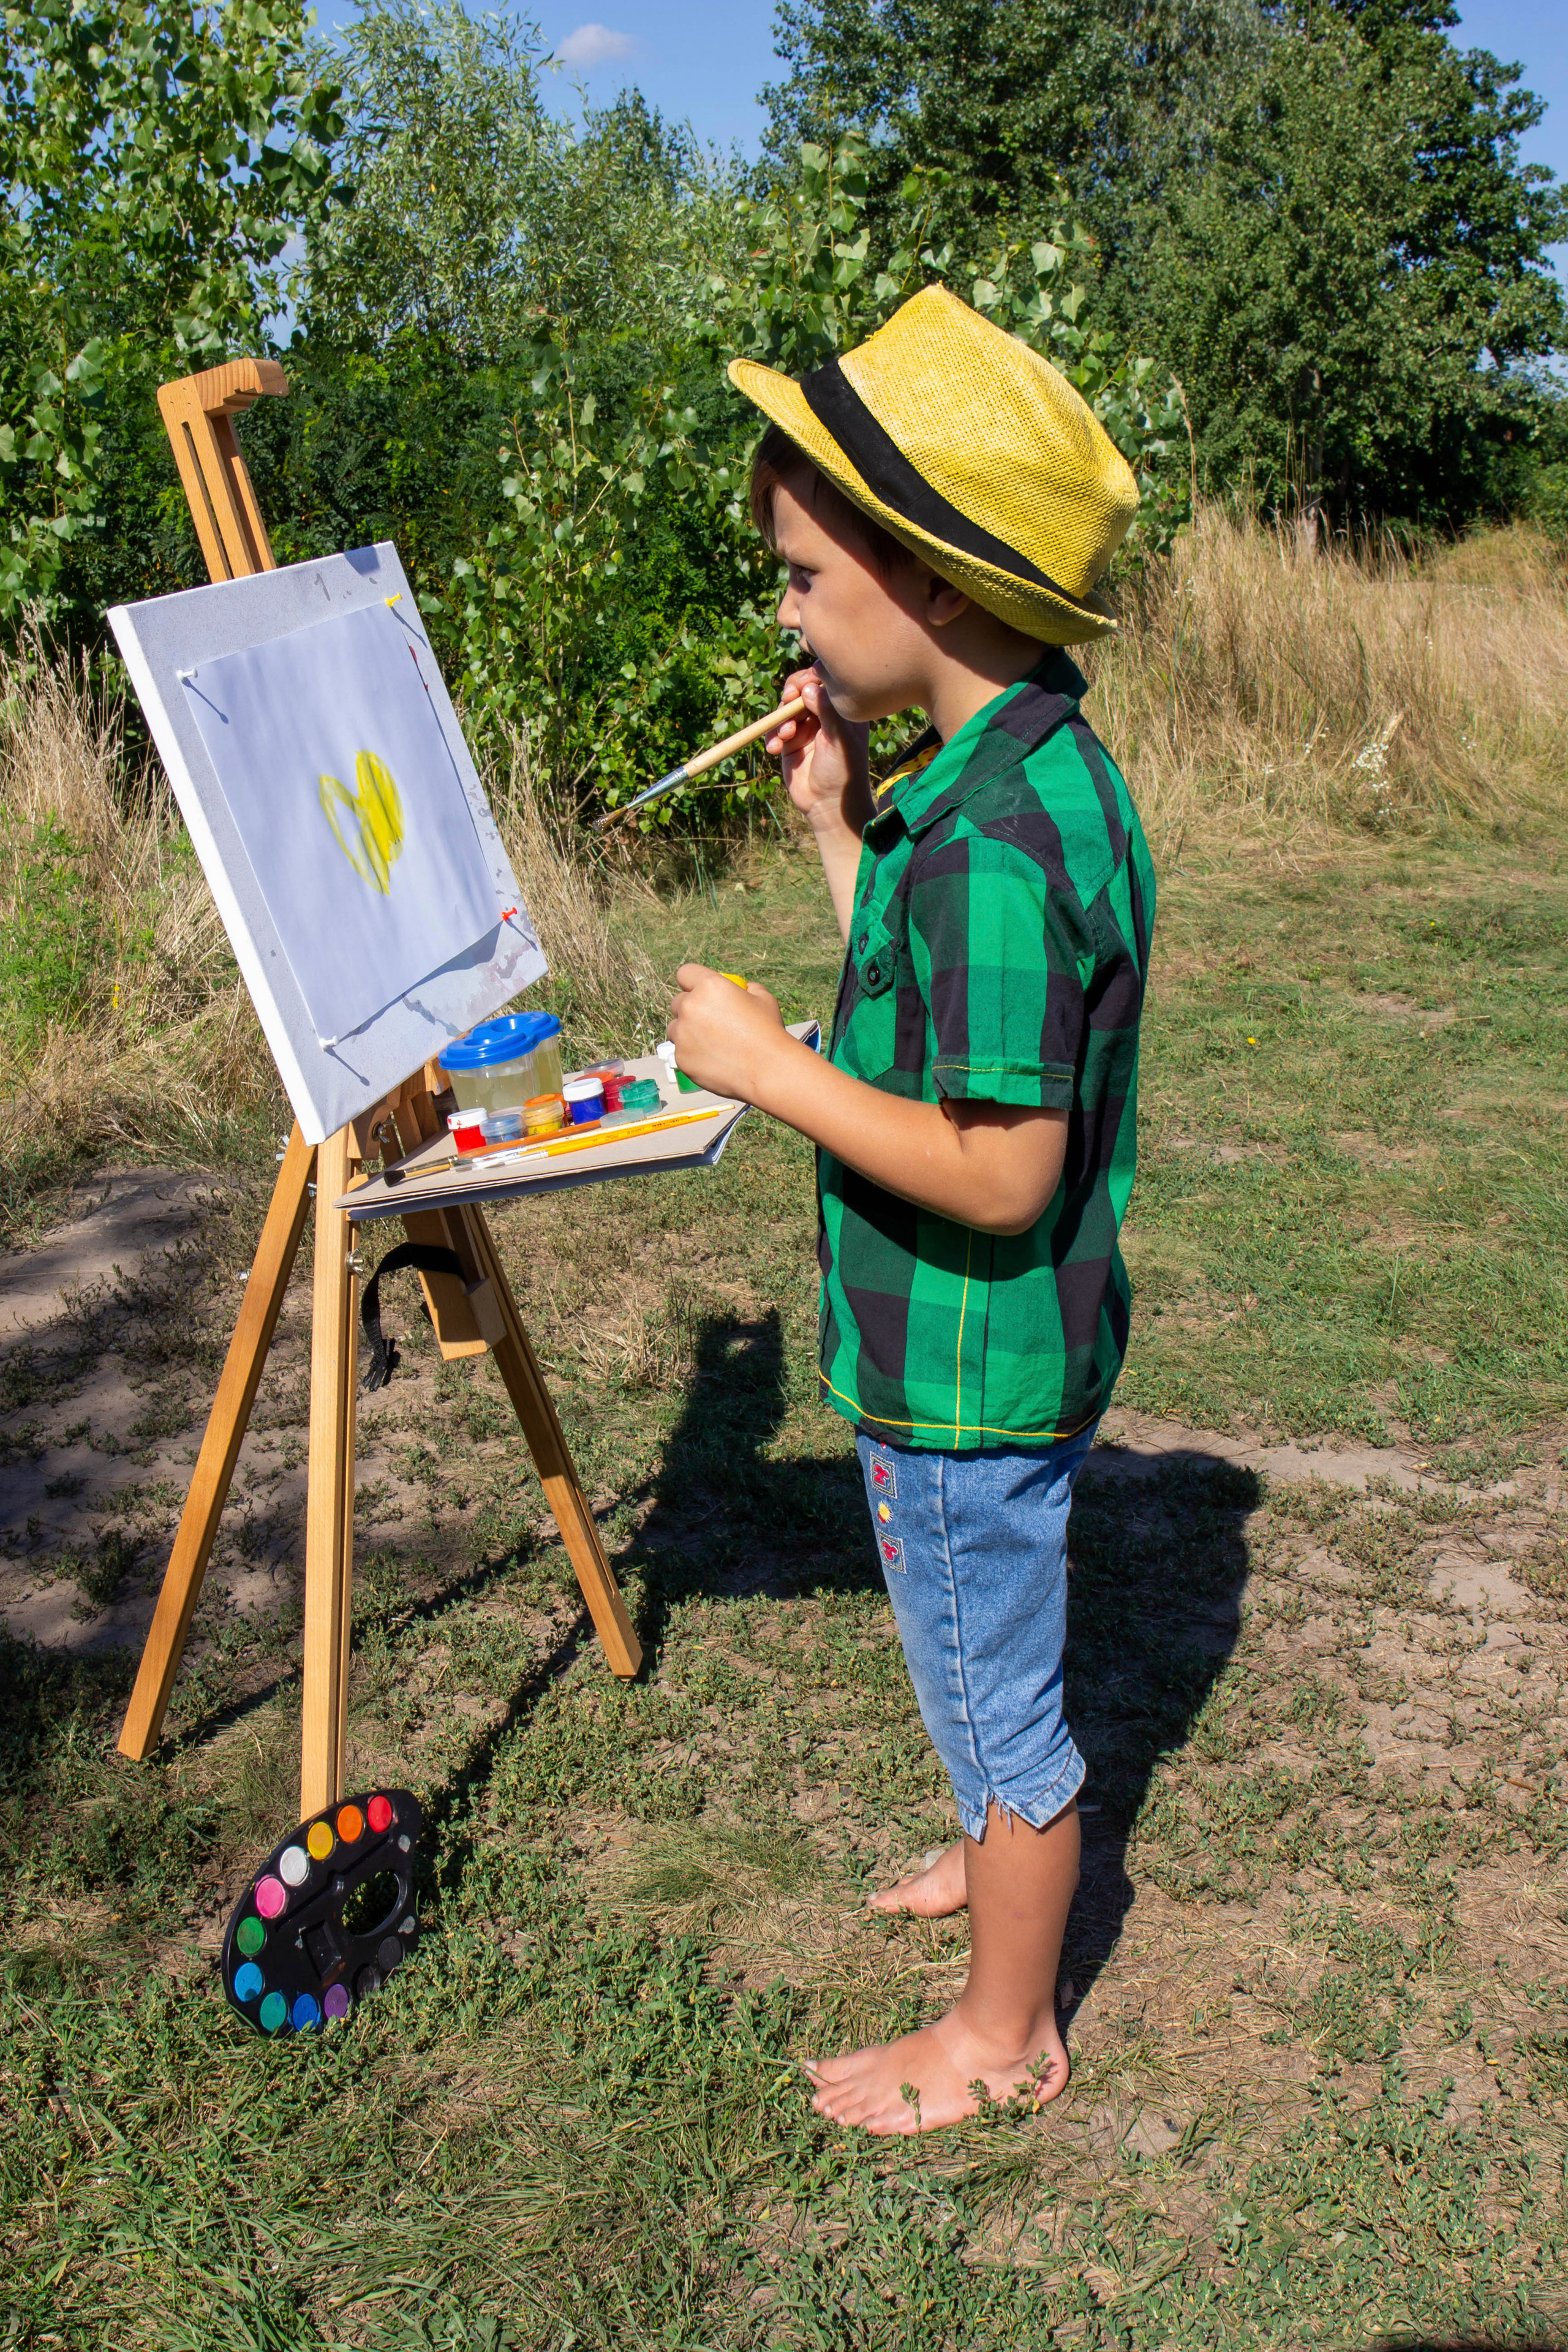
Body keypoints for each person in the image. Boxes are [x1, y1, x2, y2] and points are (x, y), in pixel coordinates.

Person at [664, 285, 1156, 2135]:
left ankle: (1005, 2028)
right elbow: (948, 1004)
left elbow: (1004, 1161)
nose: (786, 615)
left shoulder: (997, 855)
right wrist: (834, 829)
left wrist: (769, 1070)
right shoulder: (1002, 791)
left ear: (933, 584)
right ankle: (990, 1855)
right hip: (982, 1352)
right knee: (970, 1636)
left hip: (967, 1366)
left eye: (803, 576)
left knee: (1005, 1709)